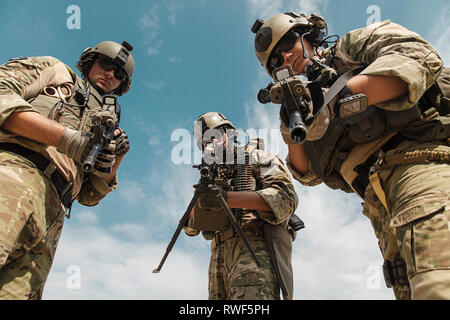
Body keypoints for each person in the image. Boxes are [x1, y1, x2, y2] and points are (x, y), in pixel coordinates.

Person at [252, 12, 450, 300]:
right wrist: (293, 121)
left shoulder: (352, 48)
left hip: (424, 164)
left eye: (288, 43)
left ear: (308, 35)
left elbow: (417, 57)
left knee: (437, 284)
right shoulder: (299, 108)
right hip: (380, 207)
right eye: (274, 62)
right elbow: (306, 173)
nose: (284, 58)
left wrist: (332, 100)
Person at [0, 40, 134, 299]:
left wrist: (116, 157)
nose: (110, 74)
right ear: (90, 61)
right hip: (14, 174)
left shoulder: (107, 117)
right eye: (106, 64)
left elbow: (88, 197)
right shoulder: (57, 72)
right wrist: (68, 140)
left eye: (119, 74)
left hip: (54, 212)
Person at [183, 112, 300, 300]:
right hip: (218, 261)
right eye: (205, 141)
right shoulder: (211, 176)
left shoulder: (256, 157)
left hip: (252, 250)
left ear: (229, 134)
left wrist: (225, 198)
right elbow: (191, 230)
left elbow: (285, 197)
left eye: (214, 135)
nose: (210, 142)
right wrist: (197, 209)